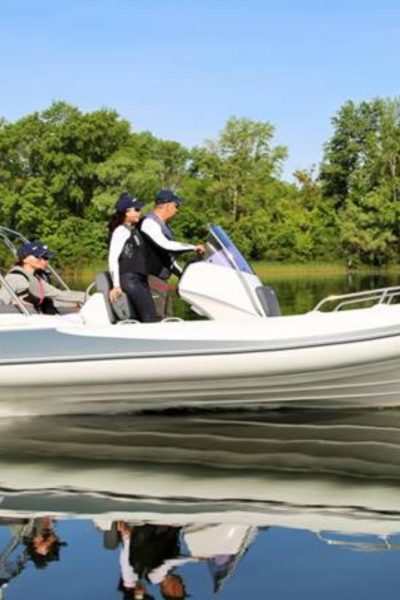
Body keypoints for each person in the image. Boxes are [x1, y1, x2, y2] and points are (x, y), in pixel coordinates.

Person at [139, 189, 205, 318]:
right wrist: (193, 247)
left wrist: (182, 275)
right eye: (176, 206)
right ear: (168, 205)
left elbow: (169, 258)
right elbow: (165, 245)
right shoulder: (148, 222)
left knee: (168, 317)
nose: (177, 210)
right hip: (150, 278)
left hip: (160, 279)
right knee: (159, 317)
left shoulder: (164, 226)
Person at [108, 193, 157, 323]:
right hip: (130, 280)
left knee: (147, 317)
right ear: (126, 212)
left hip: (140, 279)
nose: (139, 212)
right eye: (136, 209)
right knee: (150, 318)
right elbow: (113, 258)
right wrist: (116, 286)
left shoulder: (133, 230)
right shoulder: (120, 231)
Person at [0, 241, 85, 314]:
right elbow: (2, 301)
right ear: (24, 260)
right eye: (38, 257)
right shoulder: (15, 277)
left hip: (36, 316)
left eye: (46, 257)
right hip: (24, 321)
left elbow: (57, 294)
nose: (44, 260)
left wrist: (85, 298)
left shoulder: (36, 278)